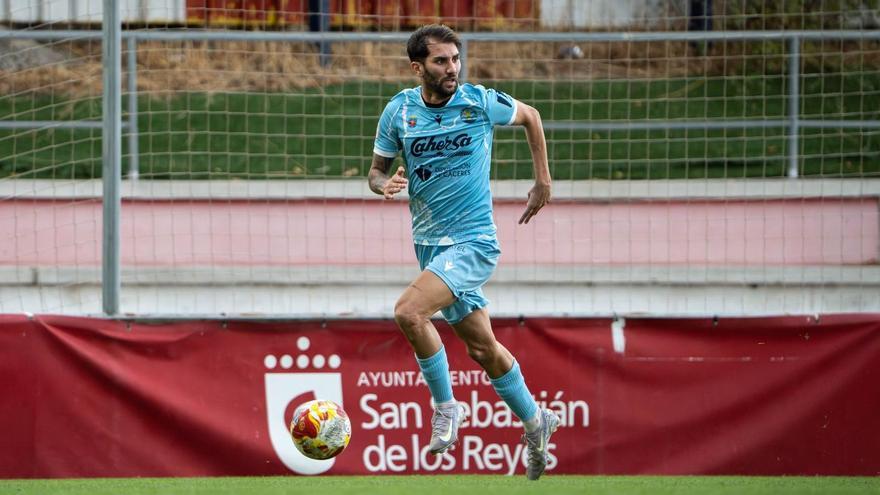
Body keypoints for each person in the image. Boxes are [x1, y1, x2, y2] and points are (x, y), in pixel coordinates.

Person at [367, 24, 557, 481]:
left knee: (409, 312)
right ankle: (536, 421)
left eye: (455, 59)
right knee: (482, 348)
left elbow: (531, 116)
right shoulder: (399, 111)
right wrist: (384, 184)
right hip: (431, 246)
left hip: (473, 243)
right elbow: (375, 171)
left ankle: (446, 407)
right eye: (441, 61)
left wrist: (543, 180)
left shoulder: (479, 102)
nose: (452, 68)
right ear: (418, 68)